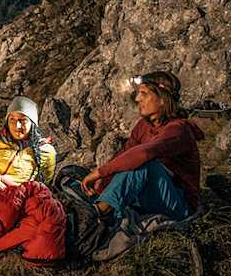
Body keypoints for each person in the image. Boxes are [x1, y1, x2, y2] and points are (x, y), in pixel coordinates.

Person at [79, 70, 203, 227]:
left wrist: (99, 173)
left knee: (144, 163)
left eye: (144, 93)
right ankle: (98, 209)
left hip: (180, 207)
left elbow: (143, 153)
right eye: (138, 93)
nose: (137, 99)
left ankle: (96, 215)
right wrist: (102, 184)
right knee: (128, 163)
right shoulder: (143, 126)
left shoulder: (179, 130)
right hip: (151, 197)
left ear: (163, 99)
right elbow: (125, 155)